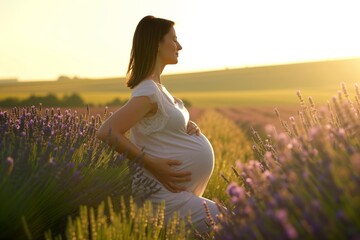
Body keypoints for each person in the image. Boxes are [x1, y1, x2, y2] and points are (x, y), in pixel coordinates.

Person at [96, 15, 219, 234]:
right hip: (164, 200)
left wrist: (189, 129)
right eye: (173, 39)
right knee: (234, 222)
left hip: (178, 195)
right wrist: (151, 164)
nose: (179, 46)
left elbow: (160, 126)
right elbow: (107, 131)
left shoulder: (158, 88)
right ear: (156, 44)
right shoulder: (148, 91)